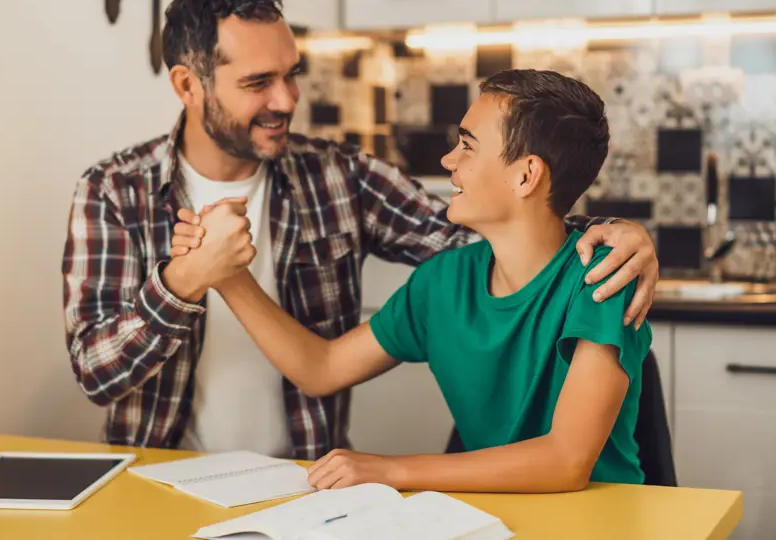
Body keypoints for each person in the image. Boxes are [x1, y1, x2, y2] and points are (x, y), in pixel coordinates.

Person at [61, 0, 660, 461]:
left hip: (301, 483)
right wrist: (186, 279)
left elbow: (504, 235)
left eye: (291, 73)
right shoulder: (115, 191)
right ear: (189, 86)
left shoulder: (339, 176)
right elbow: (96, 373)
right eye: (257, 82)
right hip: (161, 474)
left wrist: (612, 235)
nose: (287, 99)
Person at [174, 69, 652, 493]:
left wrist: (390, 470)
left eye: (467, 145)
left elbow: (565, 462)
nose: (448, 161)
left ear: (526, 175)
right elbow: (321, 368)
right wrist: (229, 278)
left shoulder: (604, 275)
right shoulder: (443, 283)